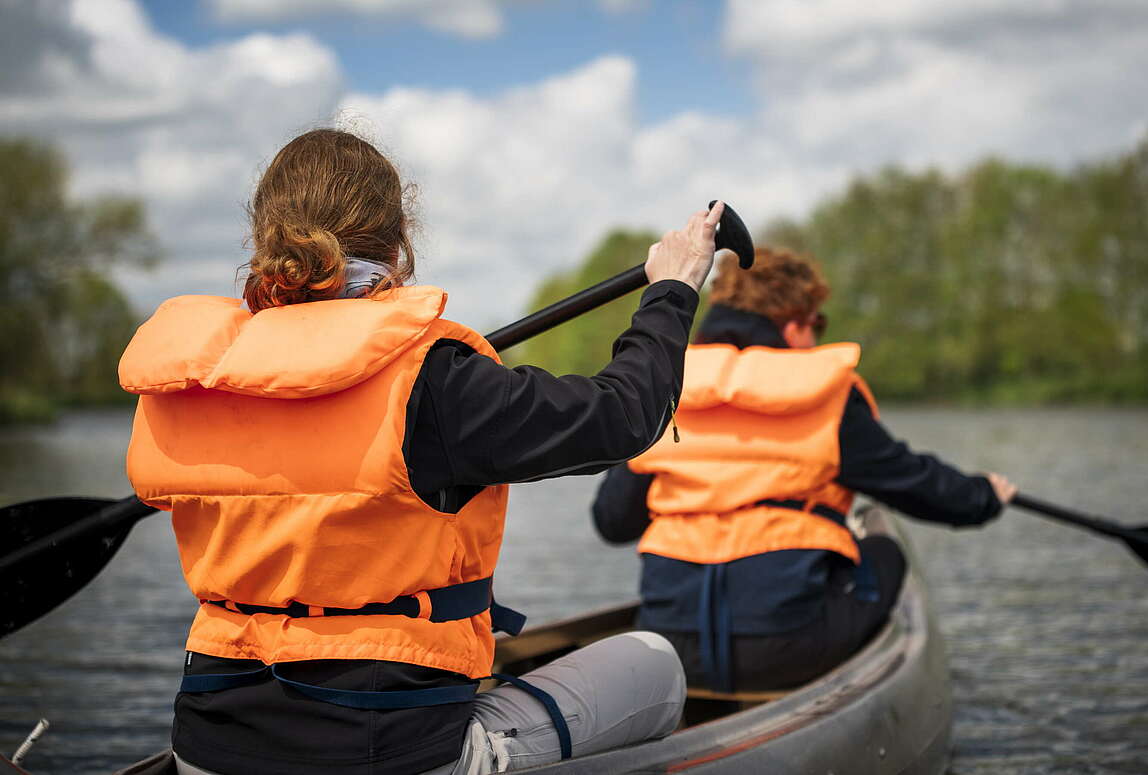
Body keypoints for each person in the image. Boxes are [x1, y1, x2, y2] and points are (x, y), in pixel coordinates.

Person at [119, 128, 726, 775]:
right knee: (656, 666)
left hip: (209, 753)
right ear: (400, 241)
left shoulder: (190, 386)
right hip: (387, 756)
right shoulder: (432, 380)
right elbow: (629, 414)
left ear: (265, 238)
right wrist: (673, 290)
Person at [592, 246, 1017, 694]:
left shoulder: (663, 387)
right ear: (794, 325)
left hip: (673, 653)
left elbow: (613, 521)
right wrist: (983, 495)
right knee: (885, 549)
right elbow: (914, 483)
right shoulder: (824, 391)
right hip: (788, 651)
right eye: (818, 324)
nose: (815, 337)